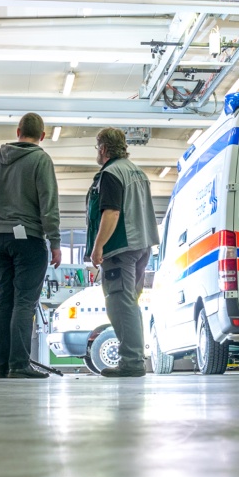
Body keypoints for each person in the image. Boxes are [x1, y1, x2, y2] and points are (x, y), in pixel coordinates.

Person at [0, 112, 61, 379]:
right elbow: (48, 205)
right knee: (25, 302)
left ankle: (1, 365)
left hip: (0, 237)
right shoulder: (40, 159)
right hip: (29, 238)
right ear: (42, 136)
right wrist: (56, 242)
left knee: (5, 300)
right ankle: (19, 364)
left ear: (17, 132)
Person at [86, 127, 160, 378]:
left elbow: (112, 213)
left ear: (104, 148)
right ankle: (134, 358)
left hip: (120, 249)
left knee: (120, 304)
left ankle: (131, 362)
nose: (97, 152)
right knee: (130, 303)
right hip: (142, 247)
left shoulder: (111, 173)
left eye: (98, 148)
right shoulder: (137, 172)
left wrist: (97, 248)